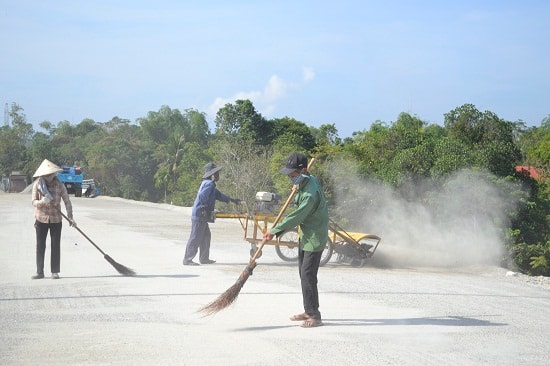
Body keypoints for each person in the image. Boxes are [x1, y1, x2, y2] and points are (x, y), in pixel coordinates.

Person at [263, 153, 329, 328]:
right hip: (306, 235)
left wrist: (275, 231)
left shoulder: (309, 194)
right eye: (290, 176)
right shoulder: (307, 181)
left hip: (315, 237)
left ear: (303, 171)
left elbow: (297, 216)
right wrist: (298, 187)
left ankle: (315, 316)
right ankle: (309, 309)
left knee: (308, 275)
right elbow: (304, 187)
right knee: (304, 274)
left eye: (294, 175)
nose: (291, 178)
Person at [183, 162, 240, 266]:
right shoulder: (208, 184)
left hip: (202, 215)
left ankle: (204, 258)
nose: (218, 176)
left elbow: (219, 195)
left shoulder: (210, 185)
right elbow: (201, 196)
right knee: (195, 237)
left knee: (205, 236)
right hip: (200, 214)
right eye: (216, 174)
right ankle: (187, 259)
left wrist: (232, 200)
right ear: (212, 175)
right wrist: (205, 208)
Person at [31, 159, 77, 279]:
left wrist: (70, 217)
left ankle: (54, 271)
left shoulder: (59, 185)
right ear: (44, 175)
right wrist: (41, 202)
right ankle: (39, 272)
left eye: (52, 174)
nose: (51, 176)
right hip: (41, 219)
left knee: (55, 245)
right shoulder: (37, 184)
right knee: (40, 245)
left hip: (56, 219)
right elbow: (33, 202)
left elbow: (67, 201)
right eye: (48, 175)